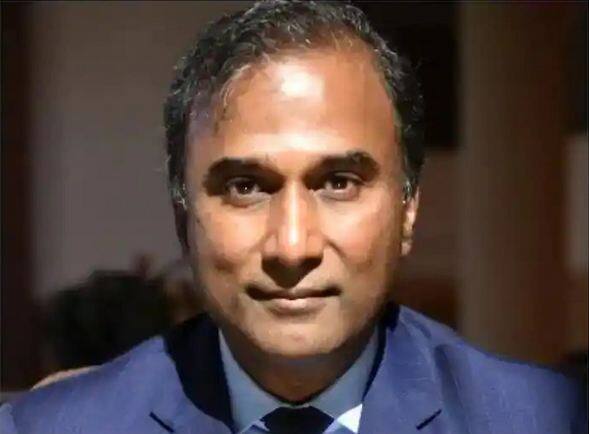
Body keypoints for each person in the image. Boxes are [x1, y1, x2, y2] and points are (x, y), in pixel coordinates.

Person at [1, 1, 585, 433]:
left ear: (408, 208)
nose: (292, 246)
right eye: (246, 187)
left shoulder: (542, 421)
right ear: (183, 216)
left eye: (338, 183)